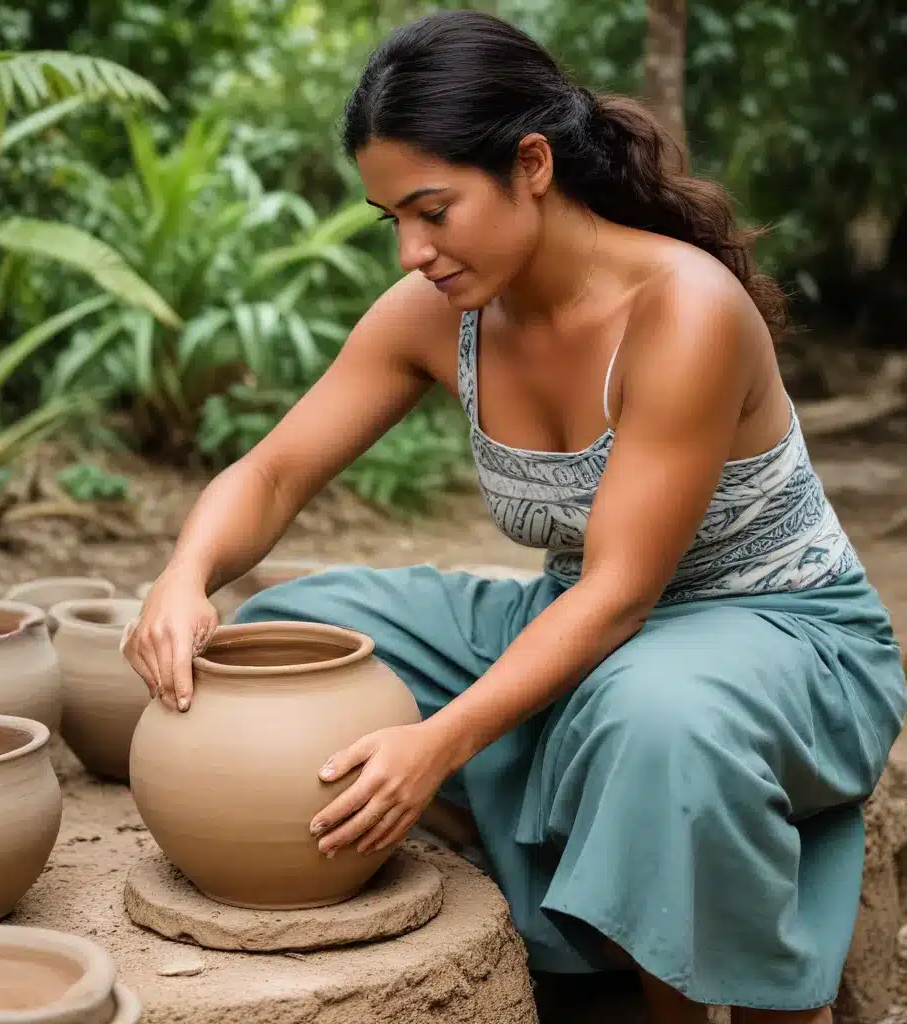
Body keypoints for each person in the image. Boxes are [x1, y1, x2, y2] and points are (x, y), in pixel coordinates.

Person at [121, 10, 907, 1022]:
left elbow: (625, 593)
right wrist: (184, 578)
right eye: (389, 219)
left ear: (531, 163)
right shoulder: (439, 311)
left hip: (780, 634)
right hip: (581, 618)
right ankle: (555, 885)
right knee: (287, 640)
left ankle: (678, 995)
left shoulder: (683, 310)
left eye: (432, 209)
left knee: (652, 715)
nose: (410, 249)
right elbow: (271, 474)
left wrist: (439, 741)